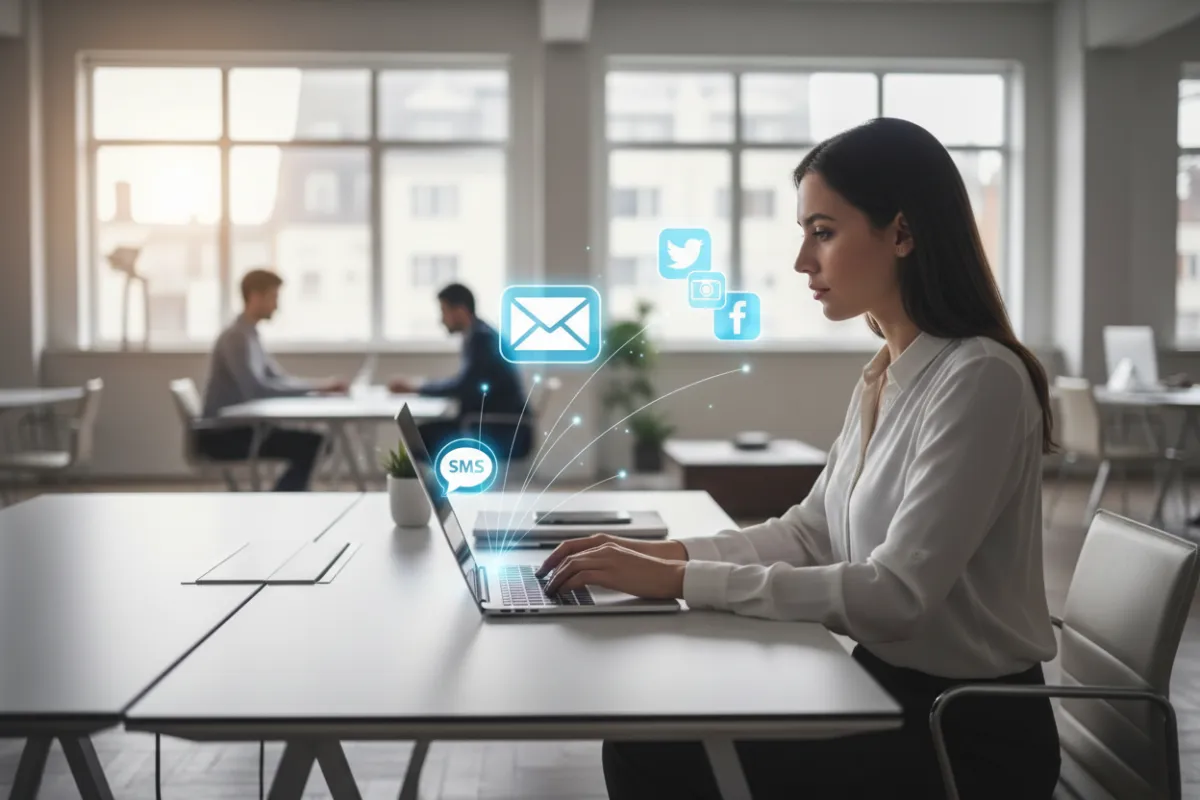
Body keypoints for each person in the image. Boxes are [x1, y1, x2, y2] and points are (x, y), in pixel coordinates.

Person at [536, 118, 1062, 800]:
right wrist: (661, 557)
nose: (802, 262)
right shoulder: (886, 375)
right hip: (887, 689)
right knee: (656, 724)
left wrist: (681, 580)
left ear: (902, 233)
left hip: (963, 735)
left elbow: (897, 598)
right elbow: (809, 533)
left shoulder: (980, 377)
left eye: (823, 232)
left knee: (654, 751)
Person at [198, 268, 347, 492]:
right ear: (255, 296)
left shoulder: (250, 335)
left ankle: (280, 498)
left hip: (242, 429)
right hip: (225, 436)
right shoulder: (236, 338)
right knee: (315, 444)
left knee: (317, 442)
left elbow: (278, 378)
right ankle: (279, 500)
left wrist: (318, 387)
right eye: (273, 297)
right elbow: (257, 390)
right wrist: (317, 389)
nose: (276, 306)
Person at [388, 283, 532, 460]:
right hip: (496, 426)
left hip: (500, 432)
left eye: (444, 311)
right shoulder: (480, 334)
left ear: (460, 310)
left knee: (421, 437)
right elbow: (466, 384)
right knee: (422, 434)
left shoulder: (482, 339)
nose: (441, 320)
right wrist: (419, 387)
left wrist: (416, 387)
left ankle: (432, 479)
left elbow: (463, 387)